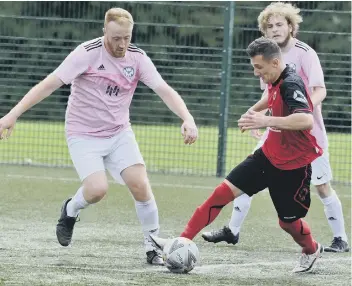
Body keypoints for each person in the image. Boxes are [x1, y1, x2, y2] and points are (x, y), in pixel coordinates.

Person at [0, 8, 198, 265]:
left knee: (140, 184)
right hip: (82, 133)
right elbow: (49, 84)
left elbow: (163, 89)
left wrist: (187, 118)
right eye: (116, 38)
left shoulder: (137, 58)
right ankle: (70, 210)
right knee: (96, 190)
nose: (122, 44)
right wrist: (11, 115)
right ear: (105, 31)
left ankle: (152, 247)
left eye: (127, 37)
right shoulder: (87, 53)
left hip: (118, 132)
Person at [151, 37, 324, 273]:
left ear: (274, 62)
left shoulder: (291, 83)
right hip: (267, 156)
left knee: (288, 223)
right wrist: (253, 112)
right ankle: (180, 243)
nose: (256, 73)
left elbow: (305, 119)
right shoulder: (278, 75)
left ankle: (311, 249)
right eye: (254, 67)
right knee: (220, 194)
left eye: (259, 67)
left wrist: (265, 120)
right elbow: (270, 96)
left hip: (293, 165)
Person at [202, 2, 349, 253]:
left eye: (280, 24)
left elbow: (320, 89)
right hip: (277, 132)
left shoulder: (305, 53)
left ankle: (341, 238)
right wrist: (254, 115)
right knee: (248, 177)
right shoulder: (266, 58)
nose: (274, 29)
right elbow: (270, 97)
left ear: (291, 26)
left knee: (322, 186)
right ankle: (232, 230)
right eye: (269, 26)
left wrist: (300, 108)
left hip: (307, 134)